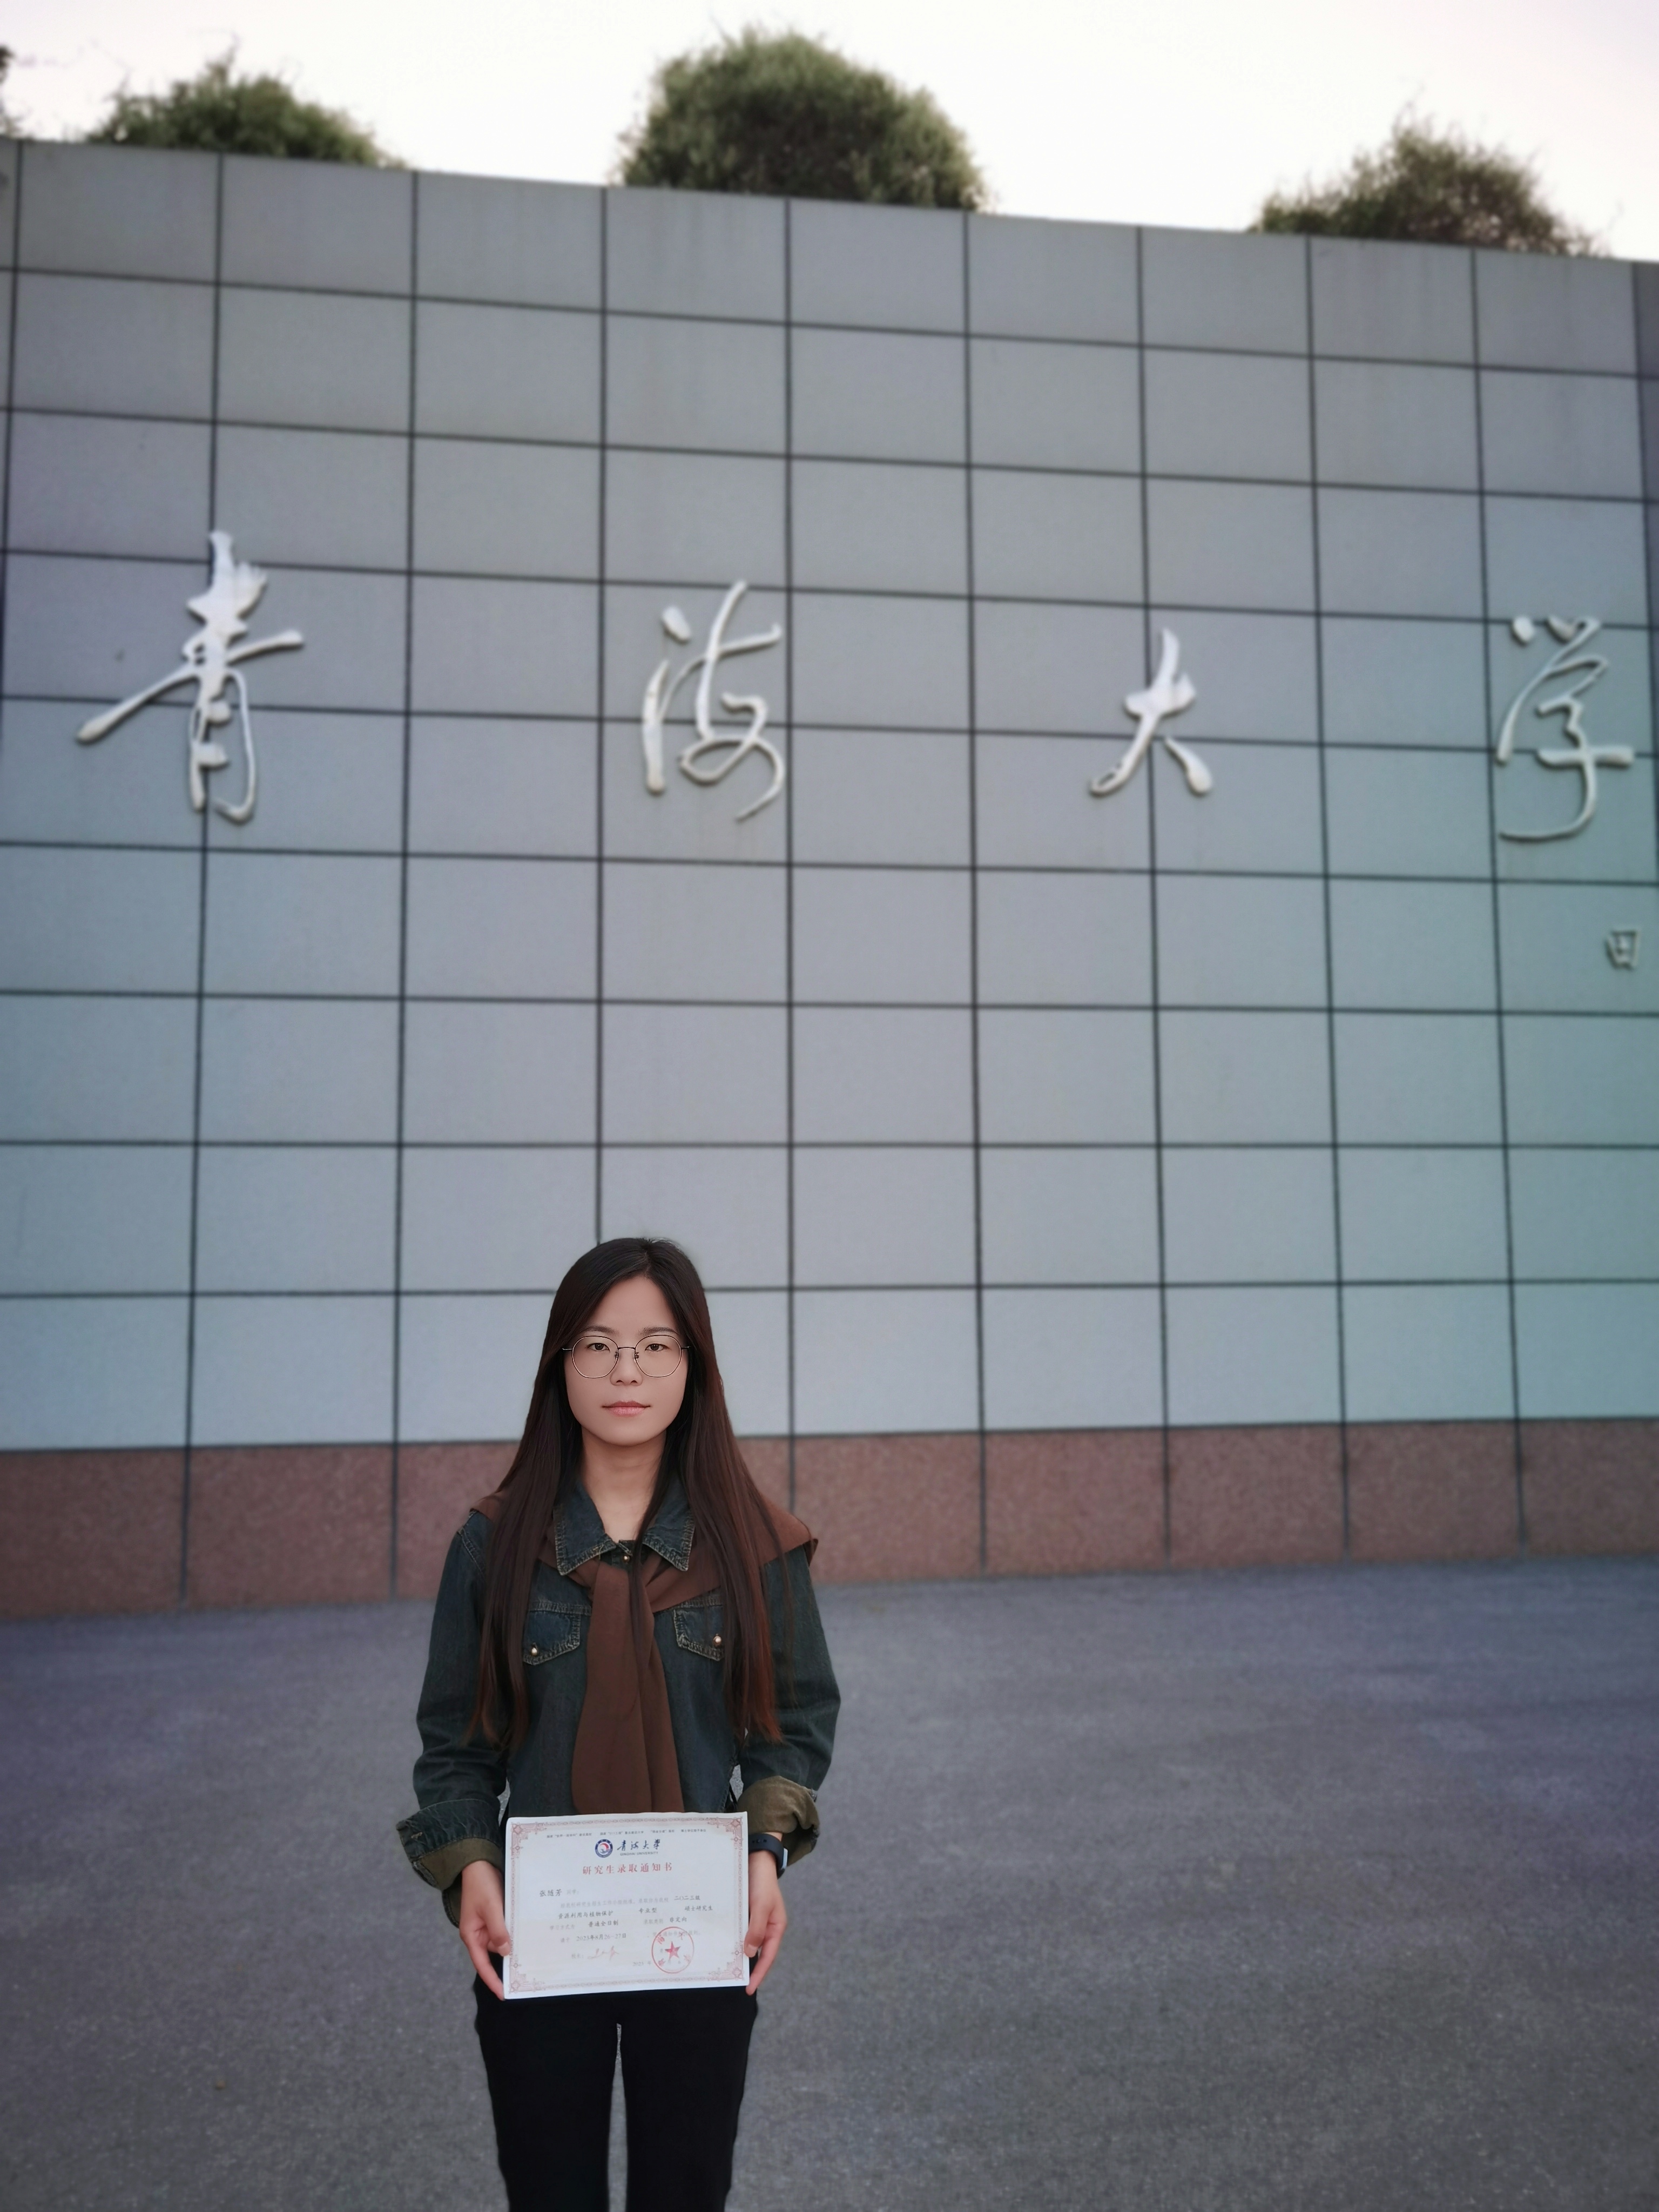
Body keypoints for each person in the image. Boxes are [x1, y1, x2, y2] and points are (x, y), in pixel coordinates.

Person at [397, 1237, 839, 2212]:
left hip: (701, 1920)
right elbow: (457, 1743)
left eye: (655, 1345)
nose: (626, 1371)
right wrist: (471, 1868)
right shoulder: (495, 1544)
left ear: (694, 1366)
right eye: (598, 1345)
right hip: (540, 1926)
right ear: (561, 1366)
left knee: (686, 2188)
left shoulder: (757, 1547)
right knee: (549, 2189)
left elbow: (794, 1724)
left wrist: (765, 1852)